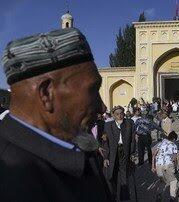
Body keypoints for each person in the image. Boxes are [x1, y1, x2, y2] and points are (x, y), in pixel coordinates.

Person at [0, 28, 112, 201]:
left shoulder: (80, 146)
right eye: (92, 90)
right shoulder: (10, 176)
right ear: (47, 94)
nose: (102, 108)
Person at [103, 106, 135, 201]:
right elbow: (105, 143)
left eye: (121, 113)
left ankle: (124, 196)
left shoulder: (129, 123)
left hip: (124, 151)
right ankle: (113, 195)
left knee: (124, 173)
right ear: (113, 115)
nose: (120, 115)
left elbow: (132, 140)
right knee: (112, 174)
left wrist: (132, 153)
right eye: (117, 114)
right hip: (113, 152)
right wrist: (105, 157)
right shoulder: (108, 125)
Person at [152, 131, 179, 202]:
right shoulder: (174, 145)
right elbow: (174, 159)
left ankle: (159, 196)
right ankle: (172, 198)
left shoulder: (160, 143)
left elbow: (154, 155)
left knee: (162, 181)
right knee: (173, 181)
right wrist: (176, 168)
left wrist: (153, 166)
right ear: (173, 139)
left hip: (158, 165)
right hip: (168, 165)